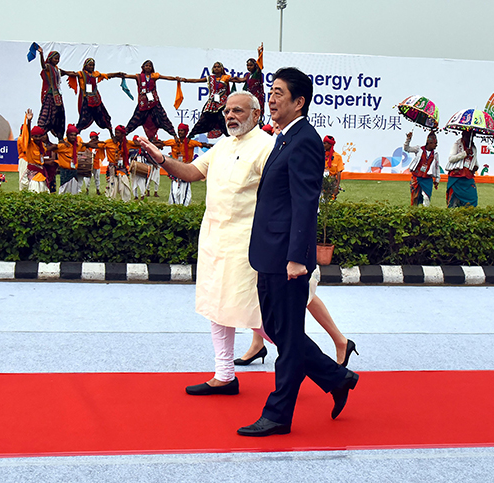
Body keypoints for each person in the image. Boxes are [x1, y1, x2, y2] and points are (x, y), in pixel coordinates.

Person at [238, 67, 357, 437]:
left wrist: (297, 258)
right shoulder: (285, 138)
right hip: (269, 252)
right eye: (270, 92)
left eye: (277, 93)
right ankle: (337, 377)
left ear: (298, 101)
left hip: (286, 257)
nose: (270, 99)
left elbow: (305, 202)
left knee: (287, 340)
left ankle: (278, 415)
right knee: (277, 329)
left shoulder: (305, 140)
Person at [136, 91, 274, 397]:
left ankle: (311, 365)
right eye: (226, 111)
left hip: (247, 243)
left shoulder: (267, 147)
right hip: (214, 238)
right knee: (216, 306)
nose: (230, 116)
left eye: (238, 111)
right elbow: (191, 172)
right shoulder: (222, 145)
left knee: (256, 314)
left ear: (256, 113)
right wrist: (160, 157)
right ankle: (224, 375)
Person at [113, 61, 179, 140]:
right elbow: (128, 76)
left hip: (154, 102)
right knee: (135, 119)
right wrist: (121, 75)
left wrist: (176, 79)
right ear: (143, 67)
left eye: (150, 66)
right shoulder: (139, 76)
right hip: (143, 103)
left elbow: (166, 77)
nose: (148, 67)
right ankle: (124, 135)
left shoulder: (154, 76)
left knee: (163, 117)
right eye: (146, 66)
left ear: (152, 68)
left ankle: (174, 135)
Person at [65, 58, 117, 138]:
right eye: (90, 65)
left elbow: (106, 75)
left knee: (104, 117)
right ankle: (74, 137)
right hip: (87, 100)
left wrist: (117, 74)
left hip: (96, 100)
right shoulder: (81, 74)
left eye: (93, 65)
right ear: (85, 66)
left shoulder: (95, 74)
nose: (92, 67)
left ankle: (111, 134)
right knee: (83, 119)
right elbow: (73, 74)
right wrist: (62, 72)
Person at [161, 123, 212, 206]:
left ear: (186, 132)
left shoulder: (190, 143)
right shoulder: (173, 142)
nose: (180, 132)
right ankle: (174, 205)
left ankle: (184, 206)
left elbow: (203, 145)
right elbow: (161, 143)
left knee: (185, 190)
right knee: (174, 190)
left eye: (182, 130)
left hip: (186, 168)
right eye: (179, 130)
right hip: (175, 168)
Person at [178, 62, 231, 138]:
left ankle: (229, 136)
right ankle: (191, 135)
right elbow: (197, 80)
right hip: (211, 104)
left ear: (222, 68)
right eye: (215, 67)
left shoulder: (226, 78)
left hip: (222, 104)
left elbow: (237, 80)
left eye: (218, 67)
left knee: (221, 119)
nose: (216, 68)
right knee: (203, 119)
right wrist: (185, 80)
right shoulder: (210, 78)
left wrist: (246, 79)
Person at [46, 124, 98, 194]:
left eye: (74, 135)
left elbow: (84, 146)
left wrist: (90, 144)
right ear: (67, 135)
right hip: (65, 171)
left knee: (74, 192)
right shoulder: (63, 146)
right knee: (63, 191)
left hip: (74, 171)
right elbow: (53, 147)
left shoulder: (77, 145)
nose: (73, 137)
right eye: (71, 135)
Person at [35, 47, 68, 140]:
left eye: (58, 59)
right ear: (50, 59)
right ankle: (39, 134)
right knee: (47, 114)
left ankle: (60, 137)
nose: (57, 60)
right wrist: (41, 55)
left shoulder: (56, 69)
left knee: (59, 115)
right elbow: (43, 66)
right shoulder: (48, 67)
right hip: (50, 95)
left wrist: (75, 74)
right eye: (55, 58)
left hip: (57, 96)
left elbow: (65, 73)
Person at [231, 44, 266, 126]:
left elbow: (260, 66)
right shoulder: (248, 75)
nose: (249, 67)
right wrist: (232, 79)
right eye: (247, 65)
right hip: (250, 98)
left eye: (251, 65)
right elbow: (241, 80)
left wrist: (260, 53)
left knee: (256, 113)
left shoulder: (257, 73)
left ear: (255, 65)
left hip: (257, 97)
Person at [403, 131, 440, 206]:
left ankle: (426, 213)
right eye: (435, 143)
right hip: (417, 177)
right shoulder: (419, 149)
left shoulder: (435, 154)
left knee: (427, 197)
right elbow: (407, 149)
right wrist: (408, 139)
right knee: (415, 198)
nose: (436, 145)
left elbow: (437, 166)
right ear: (429, 142)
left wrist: (437, 179)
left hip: (427, 178)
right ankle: (414, 213)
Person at [101, 125, 136, 201]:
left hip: (122, 169)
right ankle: (109, 205)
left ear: (123, 134)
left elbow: (139, 145)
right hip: (111, 169)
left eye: (118, 133)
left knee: (125, 187)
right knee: (111, 189)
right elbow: (98, 145)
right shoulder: (109, 142)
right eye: (115, 133)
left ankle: (126, 204)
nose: (116, 135)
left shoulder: (127, 143)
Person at [445, 131, 479, 208]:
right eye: (468, 137)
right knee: (453, 202)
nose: (470, 139)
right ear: (463, 136)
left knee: (473, 199)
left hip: (468, 178)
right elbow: (451, 159)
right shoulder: (456, 145)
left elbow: (475, 162)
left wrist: (476, 167)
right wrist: (464, 154)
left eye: (472, 137)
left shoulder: (473, 148)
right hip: (456, 178)